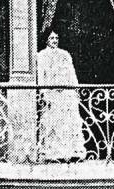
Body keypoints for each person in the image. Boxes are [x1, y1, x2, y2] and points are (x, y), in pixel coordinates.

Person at [36, 31, 87, 161]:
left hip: (65, 93)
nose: (54, 40)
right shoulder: (41, 56)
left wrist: (75, 89)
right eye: (51, 38)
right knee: (52, 123)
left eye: (56, 38)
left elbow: (71, 74)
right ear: (46, 40)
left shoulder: (64, 54)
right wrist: (43, 92)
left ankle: (70, 152)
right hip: (52, 93)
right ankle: (52, 153)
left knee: (67, 123)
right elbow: (41, 76)